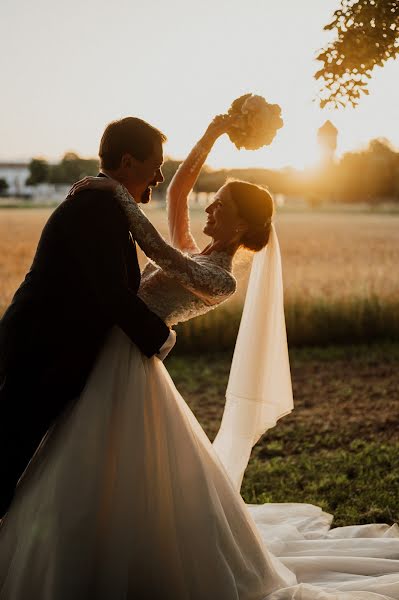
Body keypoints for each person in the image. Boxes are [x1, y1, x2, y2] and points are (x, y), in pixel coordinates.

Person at [1, 114, 399, 600]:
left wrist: (114, 192)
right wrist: (215, 132)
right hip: (113, 349)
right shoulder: (193, 247)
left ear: (244, 223)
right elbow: (179, 187)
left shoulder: (219, 277)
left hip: (130, 357)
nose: (210, 206)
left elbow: (162, 256)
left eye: (222, 205)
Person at [0, 117, 177, 518]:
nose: (160, 176)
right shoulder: (95, 208)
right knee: (7, 456)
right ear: (129, 161)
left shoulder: (107, 202)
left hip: (48, 351)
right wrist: (160, 338)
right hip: (39, 353)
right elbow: (111, 291)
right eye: (156, 164)